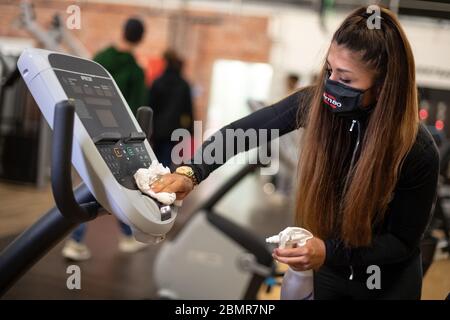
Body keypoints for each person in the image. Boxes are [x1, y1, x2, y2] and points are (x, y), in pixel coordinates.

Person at [149, 7, 439, 299]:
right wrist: (192, 172)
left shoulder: (416, 150)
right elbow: (243, 132)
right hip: (329, 270)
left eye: (347, 79)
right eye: (329, 70)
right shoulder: (315, 104)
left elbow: (402, 242)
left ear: (384, 86)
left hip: (385, 285)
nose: (332, 83)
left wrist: (328, 250)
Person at [62, 17, 148, 261]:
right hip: (116, 141)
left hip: (86, 131)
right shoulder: (135, 71)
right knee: (105, 188)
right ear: (141, 38)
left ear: (122, 31)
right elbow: (138, 110)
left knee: (90, 186)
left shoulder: (101, 59)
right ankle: (80, 240)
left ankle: (120, 236)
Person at [148, 50, 194, 168]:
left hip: (157, 130)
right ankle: (163, 183)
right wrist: (190, 131)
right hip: (175, 131)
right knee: (167, 162)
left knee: (155, 160)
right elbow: (188, 111)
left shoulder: (158, 82)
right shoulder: (183, 85)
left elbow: (150, 107)